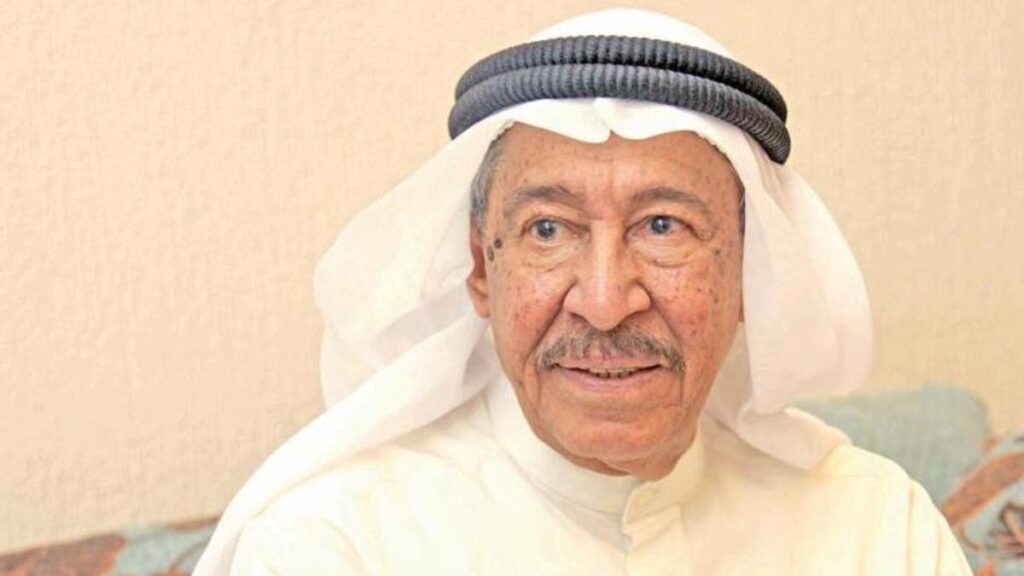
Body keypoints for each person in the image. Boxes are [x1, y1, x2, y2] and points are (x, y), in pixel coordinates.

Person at [195, 8, 972, 575]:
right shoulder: (332, 543)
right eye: (548, 230)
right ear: (481, 269)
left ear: (747, 274)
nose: (604, 301)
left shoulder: (878, 532)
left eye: (663, 226)